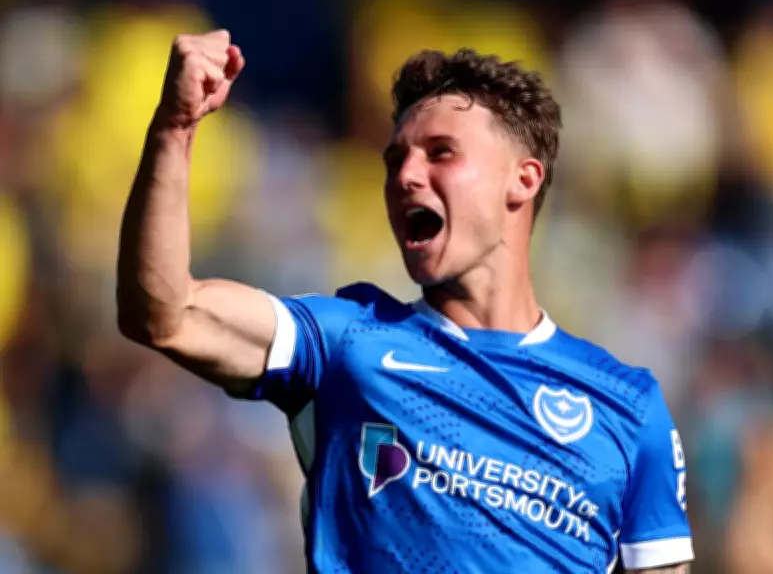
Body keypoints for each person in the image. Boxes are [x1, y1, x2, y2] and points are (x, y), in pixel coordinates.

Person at [116, 29, 694, 573]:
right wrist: (175, 129)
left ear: (522, 179)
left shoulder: (626, 405)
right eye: (395, 160)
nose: (406, 176)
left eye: (441, 153)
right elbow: (167, 314)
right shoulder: (346, 346)